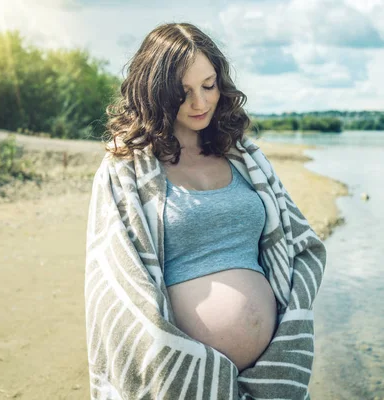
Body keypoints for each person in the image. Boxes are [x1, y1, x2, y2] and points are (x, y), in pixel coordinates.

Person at [85, 21, 326, 399]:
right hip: (180, 377)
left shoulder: (245, 158)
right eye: (183, 93)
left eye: (208, 85)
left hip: (272, 371)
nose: (200, 103)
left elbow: (295, 244)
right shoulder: (129, 168)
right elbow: (117, 277)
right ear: (156, 93)